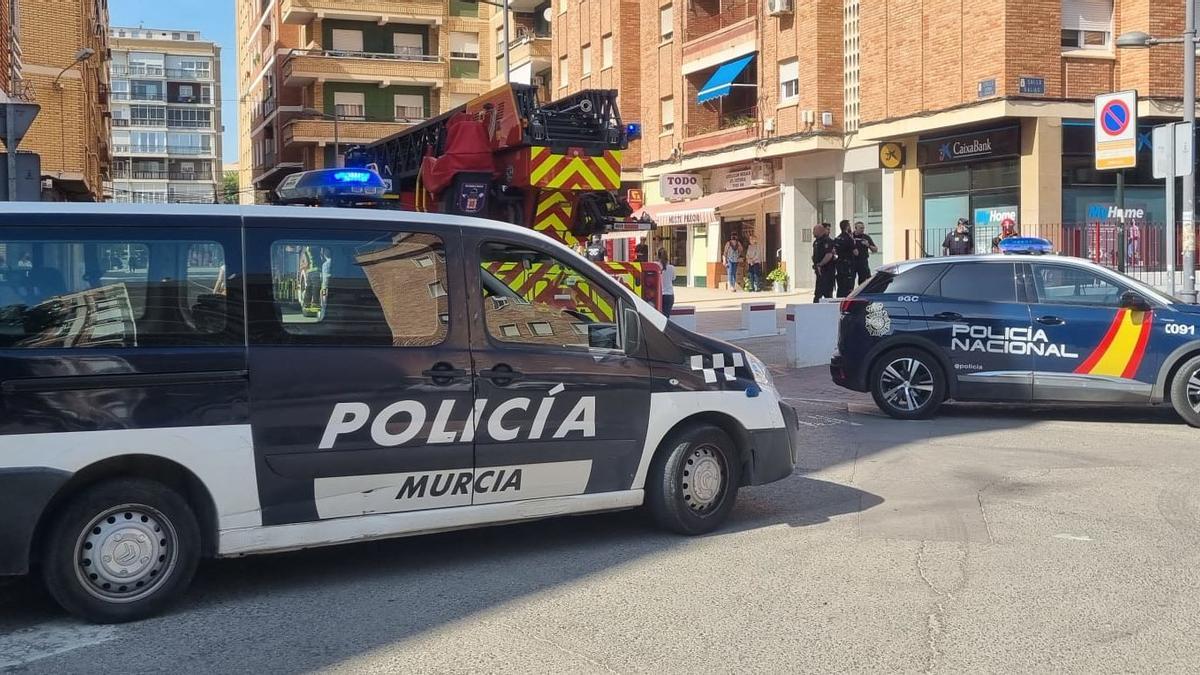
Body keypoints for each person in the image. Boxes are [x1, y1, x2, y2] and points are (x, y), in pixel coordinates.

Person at [812, 223, 836, 303]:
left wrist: (820, 264)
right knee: (818, 294)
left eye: (814, 230)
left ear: (820, 231)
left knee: (827, 294)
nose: (813, 232)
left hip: (827, 271)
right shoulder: (816, 242)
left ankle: (829, 311)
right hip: (819, 272)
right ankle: (815, 311)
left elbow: (829, 255)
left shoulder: (827, 241)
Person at [833, 220, 856, 298]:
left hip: (839, 265)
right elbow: (856, 252)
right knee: (848, 287)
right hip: (848, 265)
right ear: (847, 227)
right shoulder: (849, 239)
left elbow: (834, 252)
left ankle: (839, 300)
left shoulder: (837, 238)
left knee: (840, 286)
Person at [657, 248, 676, 317]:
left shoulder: (656, 266)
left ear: (658, 256)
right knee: (666, 316)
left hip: (658, 295)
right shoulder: (672, 267)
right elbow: (673, 278)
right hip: (669, 295)